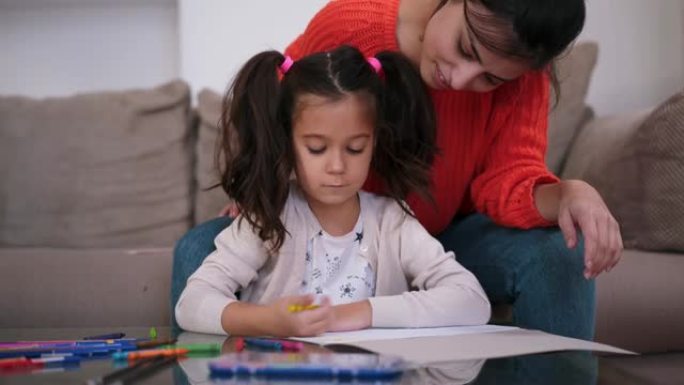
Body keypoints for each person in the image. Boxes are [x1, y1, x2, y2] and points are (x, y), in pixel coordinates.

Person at [172, 0, 622, 339]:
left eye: (491, 79)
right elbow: (283, 102)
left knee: (561, 254)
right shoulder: (351, 28)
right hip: (341, 226)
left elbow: (508, 179)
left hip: (439, 235)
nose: (462, 80)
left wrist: (568, 194)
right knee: (197, 252)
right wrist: (263, 186)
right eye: (465, 47)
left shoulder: (524, 76)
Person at [174, 45, 491, 336]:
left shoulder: (392, 222)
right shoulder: (268, 219)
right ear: (287, 143)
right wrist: (267, 321)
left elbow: (472, 300)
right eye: (316, 148)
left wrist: (358, 313)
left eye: (355, 149)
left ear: (374, 143)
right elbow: (191, 304)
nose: (337, 166)